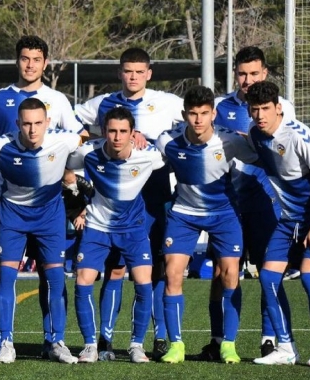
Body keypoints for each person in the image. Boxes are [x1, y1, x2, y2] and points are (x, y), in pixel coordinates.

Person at [0, 35, 85, 356]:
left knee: (52, 274)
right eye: (25, 59)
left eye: (36, 59)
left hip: (49, 207)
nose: (30, 65)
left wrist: (71, 173)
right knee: (4, 273)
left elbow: (80, 138)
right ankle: (5, 342)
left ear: (45, 63)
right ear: (17, 61)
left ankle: (54, 341)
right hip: (8, 205)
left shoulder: (57, 100)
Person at [74, 47, 183, 361]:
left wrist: (152, 137)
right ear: (119, 73)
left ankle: (159, 336)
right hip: (114, 195)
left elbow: (192, 123)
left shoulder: (167, 102)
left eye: (139, 71)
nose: (133, 76)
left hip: (153, 192)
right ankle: (104, 339)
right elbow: (74, 125)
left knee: (155, 268)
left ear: (149, 73)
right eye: (128, 71)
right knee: (116, 269)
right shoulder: (103, 104)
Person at [196, 46, 296, 360]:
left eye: (254, 73)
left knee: (270, 272)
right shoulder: (219, 106)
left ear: (264, 73)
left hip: (266, 202)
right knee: (222, 274)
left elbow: (287, 153)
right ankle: (219, 340)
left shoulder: (281, 108)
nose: (247, 80)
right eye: (242, 73)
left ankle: (271, 339)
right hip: (226, 206)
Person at [155, 85, 259, 364]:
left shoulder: (230, 141)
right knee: (173, 274)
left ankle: (228, 344)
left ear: (214, 113)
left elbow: (260, 156)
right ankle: (176, 345)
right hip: (184, 215)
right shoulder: (168, 141)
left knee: (230, 276)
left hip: (224, 214)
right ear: (184, 114)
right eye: (192, 114)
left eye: (204, 113)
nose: (198, 120)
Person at [246, 81, 310, 367]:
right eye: (255, 109)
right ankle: (286, 348)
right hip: (289, 219)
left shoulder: (298, 135)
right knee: (267, 278)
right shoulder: (255, 134)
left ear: (278, 108)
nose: (260, 115)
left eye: (266, 108)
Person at [67, 107, 164, 364]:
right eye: (112, 131)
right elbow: (64, 166)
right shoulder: (88, 153)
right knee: (82, 281)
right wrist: (76, 196)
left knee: (144, 283)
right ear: (104, 131)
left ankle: (136, 345)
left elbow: (174, 157)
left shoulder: (149, 156)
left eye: (123, 131)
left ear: (133, 133)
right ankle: (90, 345)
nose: (117, 137)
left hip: (133, 229)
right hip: (97, 227)